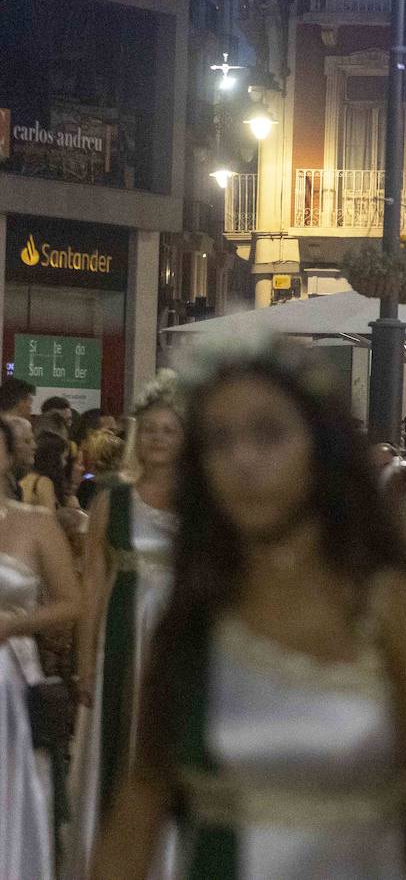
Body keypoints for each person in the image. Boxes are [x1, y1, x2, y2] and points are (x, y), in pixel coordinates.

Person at [92, 339, 406, 880]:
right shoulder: (195, 618)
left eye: (268, 434)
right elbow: (137, 814)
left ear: (323, 448)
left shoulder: (400, 615)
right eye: (218, 441)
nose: (242, 459)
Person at [67, 371, 185, 880]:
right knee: (119, 743)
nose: (159, 439)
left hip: (178, 637)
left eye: (170, 430)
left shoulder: (204, 503)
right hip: (122, 630)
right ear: (139, 435)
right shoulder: (112, 499)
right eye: (152, 430)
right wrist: (85, 658)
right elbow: (92, 583)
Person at [0, 417, 82, 880]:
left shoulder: (35, 522)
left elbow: (73, 601)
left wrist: (16, 624)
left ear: (10, 457)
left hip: (10, 676)